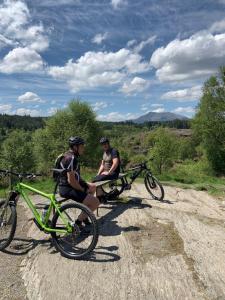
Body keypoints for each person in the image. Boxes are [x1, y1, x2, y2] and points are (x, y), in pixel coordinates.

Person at [59, 136, 99, 227]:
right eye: (82, 146)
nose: (83, 148)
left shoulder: (69, 155)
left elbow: (75, 176)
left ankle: (84, 215)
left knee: (93, 187)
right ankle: (78, 222)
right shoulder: (71, 158)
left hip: (69, 185)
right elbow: (71, 181)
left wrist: (85, 184)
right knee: (95, 202)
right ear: (75, 147)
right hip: (67, 188)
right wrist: (83, 190)